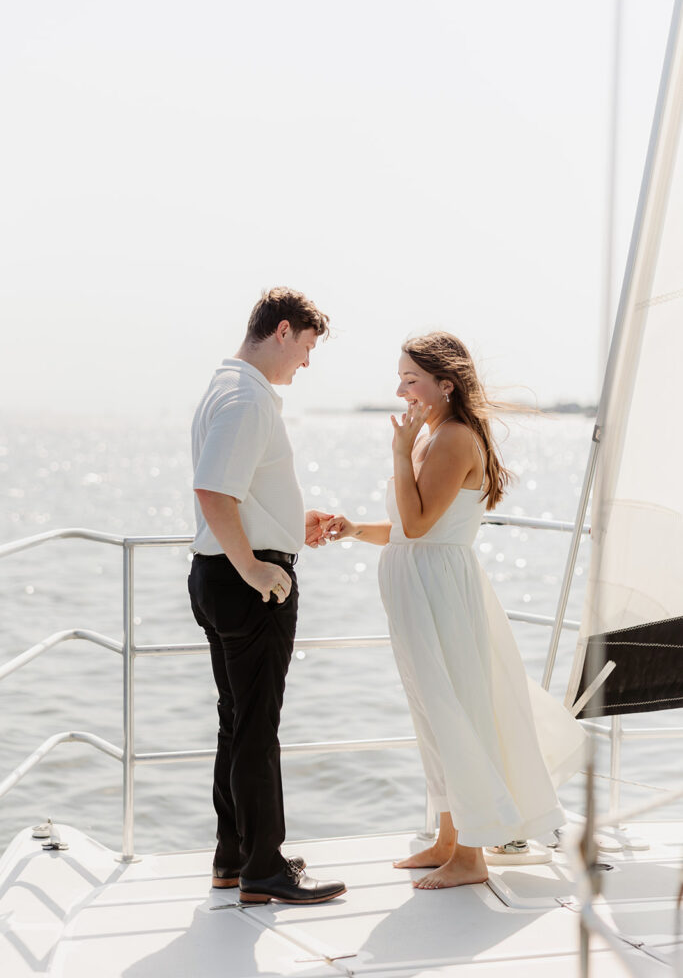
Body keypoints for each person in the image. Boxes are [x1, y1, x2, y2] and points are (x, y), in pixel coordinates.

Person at [323, 332, 585, 889]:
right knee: (430, 711)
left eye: (410, 379)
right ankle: (447, 839)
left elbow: (419, 528)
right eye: (400, 377)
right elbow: (412, 530)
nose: (400, 390)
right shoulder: (431, 433)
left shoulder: (453, 439)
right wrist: (351, 530)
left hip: (437, 589)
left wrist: (398, 453)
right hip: (420, 582)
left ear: (446, 384)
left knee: (452, 710)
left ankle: (471, 854)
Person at [188, 287, 346, 905]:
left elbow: (238, 491)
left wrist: (286, 522)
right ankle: (263, 869)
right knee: (257, 727)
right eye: (307, 347)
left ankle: (235, 856)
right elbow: (213, 492)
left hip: (220, 574)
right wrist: (255, 565)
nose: (306, 363)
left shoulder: (225, 388)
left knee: (237, 723)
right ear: (283, 332)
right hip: (245, 583)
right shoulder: (248, 399)